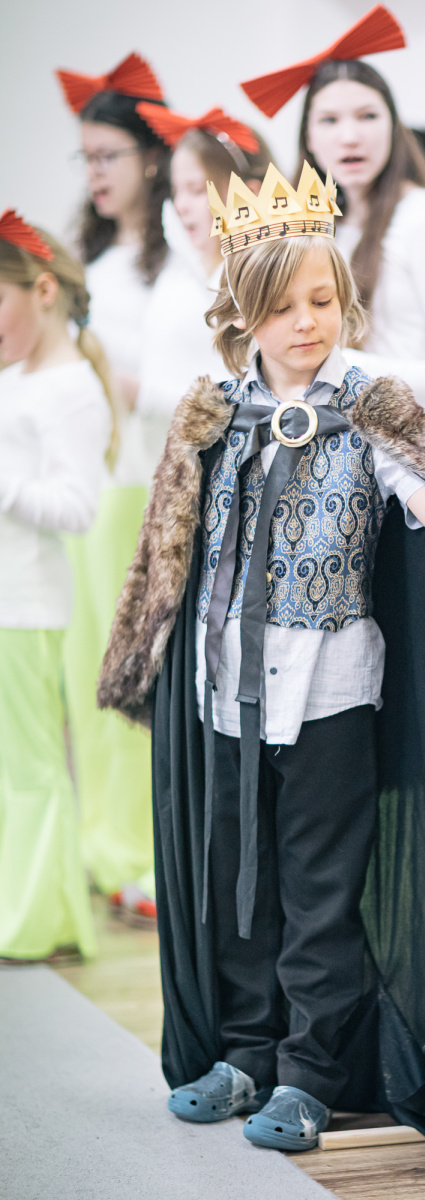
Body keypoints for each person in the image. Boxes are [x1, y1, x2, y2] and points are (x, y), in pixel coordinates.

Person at [97, 160, 425, 1153]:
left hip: (329, 696)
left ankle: (308, 1073)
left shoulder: (370, 402)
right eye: (284, 306)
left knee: (319, 892)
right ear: (244, 313)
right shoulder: (212, 411)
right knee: (236, 886)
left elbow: (423, 491)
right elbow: (167, 544)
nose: (307, 322)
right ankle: (244, 1054)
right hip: (222, 695)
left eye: (323, 300)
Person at [241, 6, 425, 468]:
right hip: (313, 460)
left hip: (398, 467)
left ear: (393, 127)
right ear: (309, 137)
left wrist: (344, 367)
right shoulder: (313, 226)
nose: (350, 136)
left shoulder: (423, 218)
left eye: (367, 116)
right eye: (329, 120)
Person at [55, 52, 171, 923]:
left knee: (132, 672)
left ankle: (143, 855)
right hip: (87, 488)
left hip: (145, 486)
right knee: (83, 673)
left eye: (109, 156)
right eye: (86, 157)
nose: (95, 173)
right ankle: (102, 849)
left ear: (152, 159)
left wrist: (124, 383)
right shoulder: (87, 260)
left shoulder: (172, 266)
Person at [0, 210, 113, 962]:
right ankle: (39, 911)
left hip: (26, 605)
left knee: (33, 768)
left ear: (42, 291)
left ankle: (34, 923)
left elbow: (78, 508)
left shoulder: (72, 389)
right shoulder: (17, 379)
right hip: (7, 598)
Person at [134, 104, 272, 480]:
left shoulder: (257, 284)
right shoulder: (177, 273)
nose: (180, 205)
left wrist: (141, 395)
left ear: (249, 194)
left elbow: (248, 399)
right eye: (176, 190)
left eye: (196, 190)